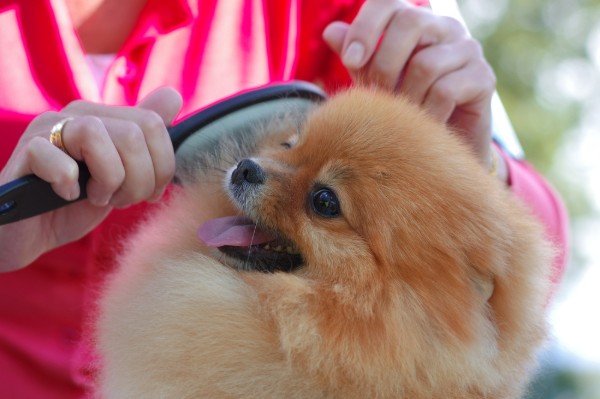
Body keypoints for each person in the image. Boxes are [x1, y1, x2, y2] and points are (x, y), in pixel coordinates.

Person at [0, 0, 568, 397]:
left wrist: (471, 165)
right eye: (286, 143)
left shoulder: (354, 11)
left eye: (323, 202)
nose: (258, 168)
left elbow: (531, 265)